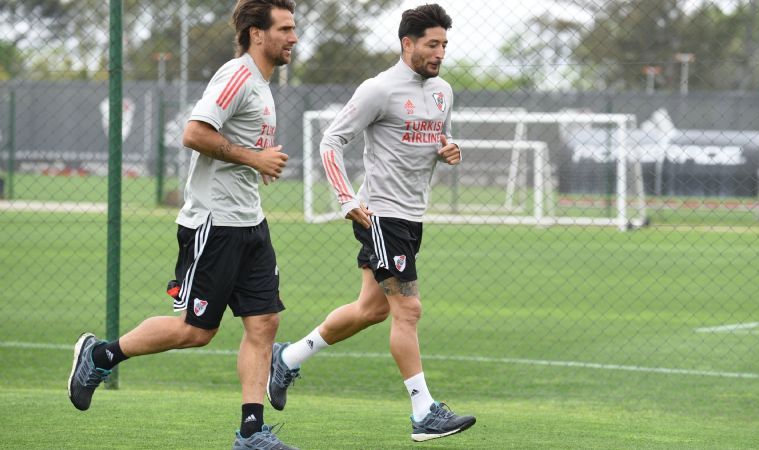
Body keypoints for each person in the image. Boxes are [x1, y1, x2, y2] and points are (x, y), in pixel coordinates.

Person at [68, 1, 299, 448]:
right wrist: (254, 158)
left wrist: (255, 163)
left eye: (293, 28)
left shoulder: (263, 83)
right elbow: (194, 133)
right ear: (256, 33)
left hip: (250, 222)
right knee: (197, 331)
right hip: (215, 223)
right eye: (285, 28)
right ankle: (100, 356)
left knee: (265, 323)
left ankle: (251, 432)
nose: (293, 37)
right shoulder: (236, 76)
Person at [267, 3, 476, 443]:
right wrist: (345, 199)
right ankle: (423, 412)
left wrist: (449, 149)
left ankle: (287, 359)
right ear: (407, 43)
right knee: (408, 309)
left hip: (412, 217)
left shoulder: (443, 92)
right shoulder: (378, 89)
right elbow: (331, 141)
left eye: (444, 45)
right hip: (381, 214)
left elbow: (437, 138)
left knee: (372, 309)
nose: (440, 53)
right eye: (432, 44)